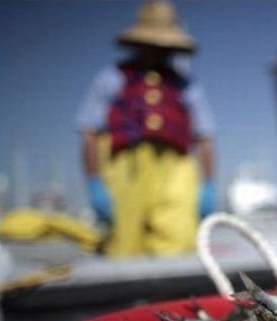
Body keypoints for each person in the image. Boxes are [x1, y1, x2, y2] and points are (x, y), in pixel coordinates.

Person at [77, 0, 216, 256]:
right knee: (124, 241)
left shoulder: (186, 84)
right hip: (125, 164)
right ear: (138, 44)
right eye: (151, 45)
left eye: (165, 46)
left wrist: (208, 184)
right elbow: (89, 131)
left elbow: (205, 135)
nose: (158, 51)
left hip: (177, 165)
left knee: (180, 237)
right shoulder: (112, 77)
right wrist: (94, 182)